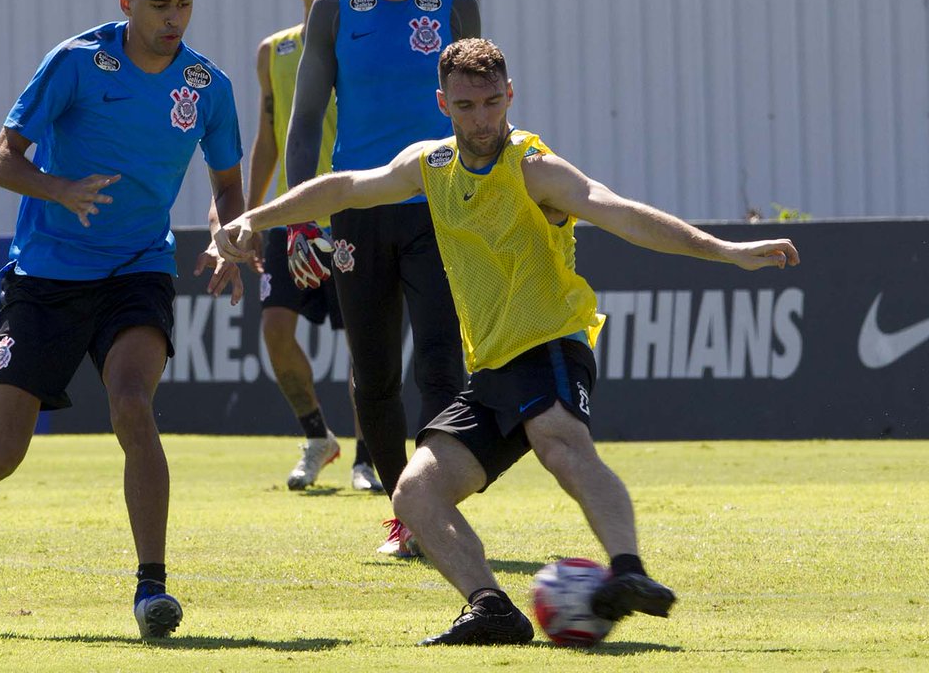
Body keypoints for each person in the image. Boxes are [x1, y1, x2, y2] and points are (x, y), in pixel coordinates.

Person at [216, 37, 800, 645]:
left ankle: (628, 570)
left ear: (510, 95)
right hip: (491, 370)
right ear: (442, 104)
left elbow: (618, 211)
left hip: (549, 342)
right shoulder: (430, 165)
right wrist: (255, 217)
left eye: (492, 102)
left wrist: (725, 250)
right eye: (466, 106)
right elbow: (344, 188)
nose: (481, 119)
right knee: (414, 494)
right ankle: (491, 607)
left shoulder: (533, 167)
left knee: (558, 441)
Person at [0, 0, 245, 641]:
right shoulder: (76, 62)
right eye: (158, 5)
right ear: (127, 2)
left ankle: (152, 589)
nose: (173, 18)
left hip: (138, 267)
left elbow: (228, 187)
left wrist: (225, 234)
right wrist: (60, 189)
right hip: (46, 276)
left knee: (132, 405)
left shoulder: (208, 85)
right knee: (1, 455)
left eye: (184, 4)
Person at [282, 0, 481, 555]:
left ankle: (435, 508)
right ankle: (406, 513)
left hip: (440, 209)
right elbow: (306, 118)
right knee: (372, 376)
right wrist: (301, 217)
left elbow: (481, 110)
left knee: (440, 365)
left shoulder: (454, 5)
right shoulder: (335, 9)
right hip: (358, 213)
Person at [248, 0, 383, 493]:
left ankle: (368, 459)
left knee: (364, 346)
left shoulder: (366, 47)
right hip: (293, 218)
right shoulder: (274, 51)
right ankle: (316, 437)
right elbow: (268, 136)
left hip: (353, 214)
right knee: (275, 331)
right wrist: (251, 214)